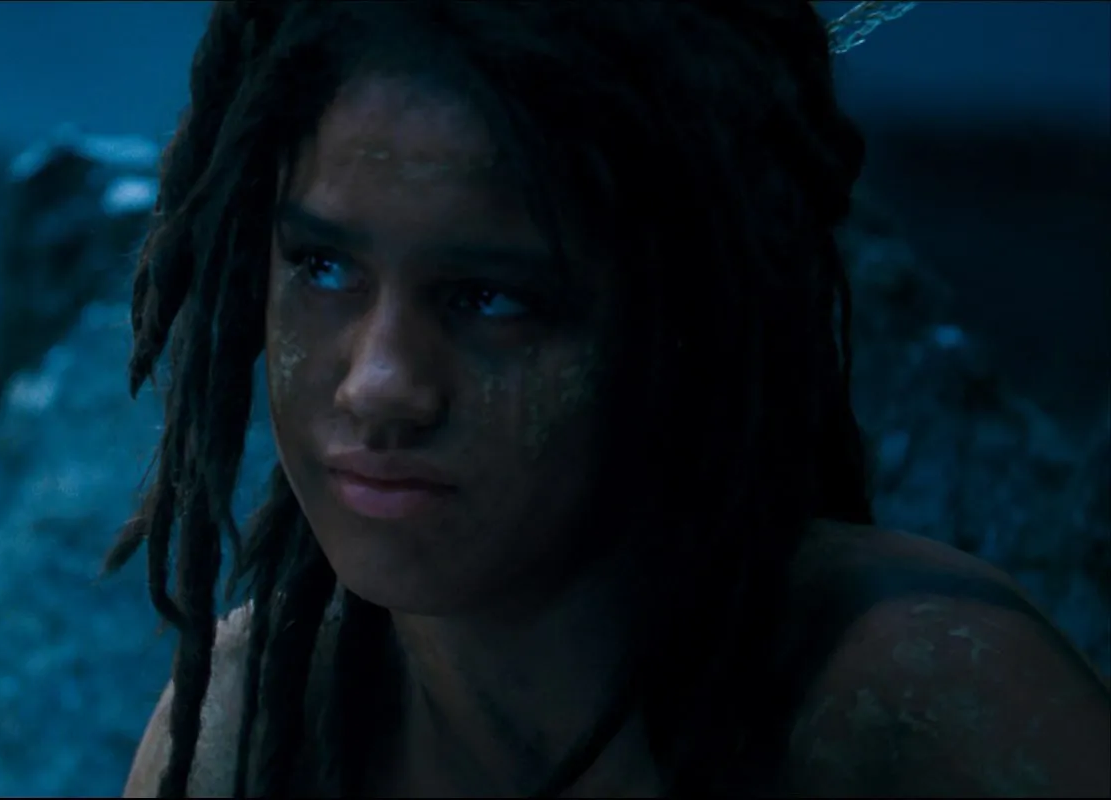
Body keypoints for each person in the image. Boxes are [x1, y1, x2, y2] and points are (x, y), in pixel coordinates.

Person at [100, 1, 1111, 797]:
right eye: (323, 267)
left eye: (490, 297)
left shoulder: (926, 707)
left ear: (682, 318)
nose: (380, 385)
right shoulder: (249, 731)